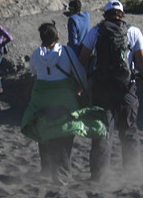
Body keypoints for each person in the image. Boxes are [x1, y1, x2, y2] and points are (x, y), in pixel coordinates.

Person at [79, 0, 143, 182]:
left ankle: (98, 176)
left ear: (106, 13)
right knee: (129, 131)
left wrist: (80, 85)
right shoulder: (133, 32)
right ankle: (132, 174)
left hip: (102, 89)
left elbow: (83, 59)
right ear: (122, 14)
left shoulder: (95, 31)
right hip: (126, 89)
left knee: (102, 131)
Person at [22, 22, 104, 185]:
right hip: (64, 100)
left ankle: (46, 169)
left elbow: (33, 71)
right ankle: (63, 172)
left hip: (41, 99)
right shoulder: (66, 52)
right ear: (57, 36)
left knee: (43, 129)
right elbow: (79, 72)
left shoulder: (36, 54)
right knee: (66, 133)